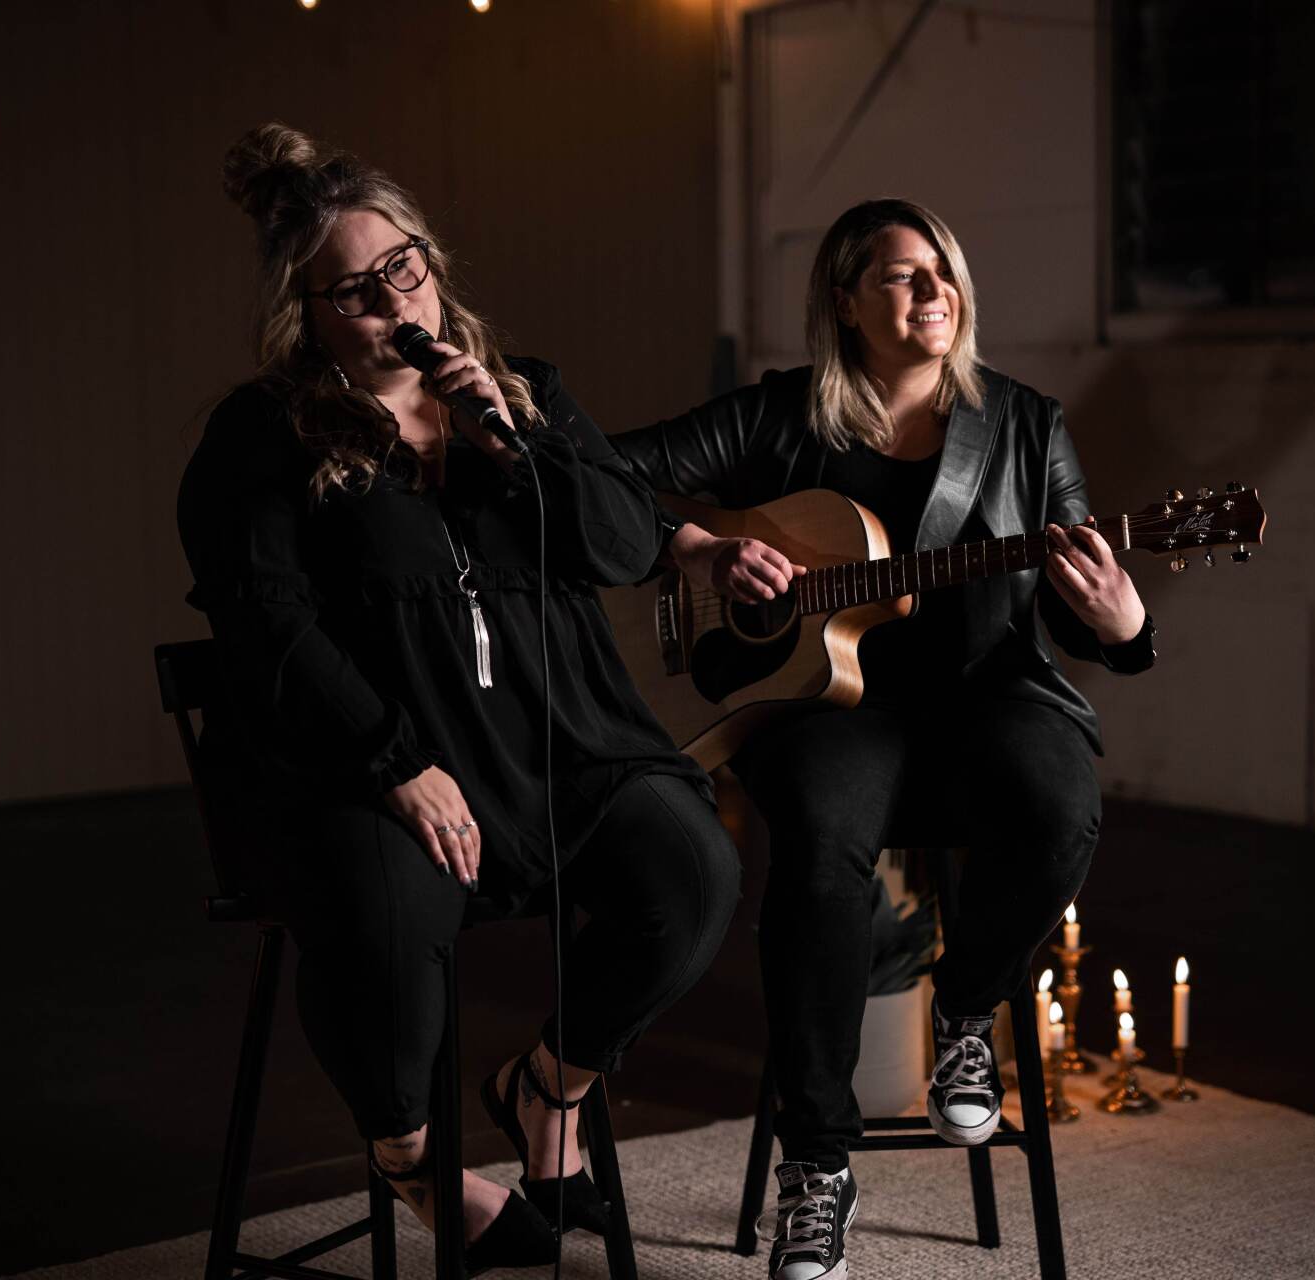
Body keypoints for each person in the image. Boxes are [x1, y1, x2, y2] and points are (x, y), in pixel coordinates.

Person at [177, 123, 741, 1270]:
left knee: (690, 870)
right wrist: (392, 761)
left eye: (407, 269)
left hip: (557, 745)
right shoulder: (264, 432)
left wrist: (522, 437)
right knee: (385, 929)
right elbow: (266, 622)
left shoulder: (521, 392)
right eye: (358, 290)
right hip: (369, 768)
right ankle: (414, 1157)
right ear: (311, 313)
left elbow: (627, 544)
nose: (396, 304)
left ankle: (549, 1085)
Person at [612, 198, 1157, 1280]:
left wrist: (1124, 620)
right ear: (845, 300)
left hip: (989, 699)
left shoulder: (1026, 424)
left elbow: (1072, 601)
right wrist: (694, 552)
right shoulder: (777, 419)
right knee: (818, 842)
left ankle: (967, 1005)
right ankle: (816, 1165)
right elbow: (604, 475)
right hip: (822, 707)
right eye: (903, 275)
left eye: (944, 271)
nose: (934, 290)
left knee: (1059, 802)